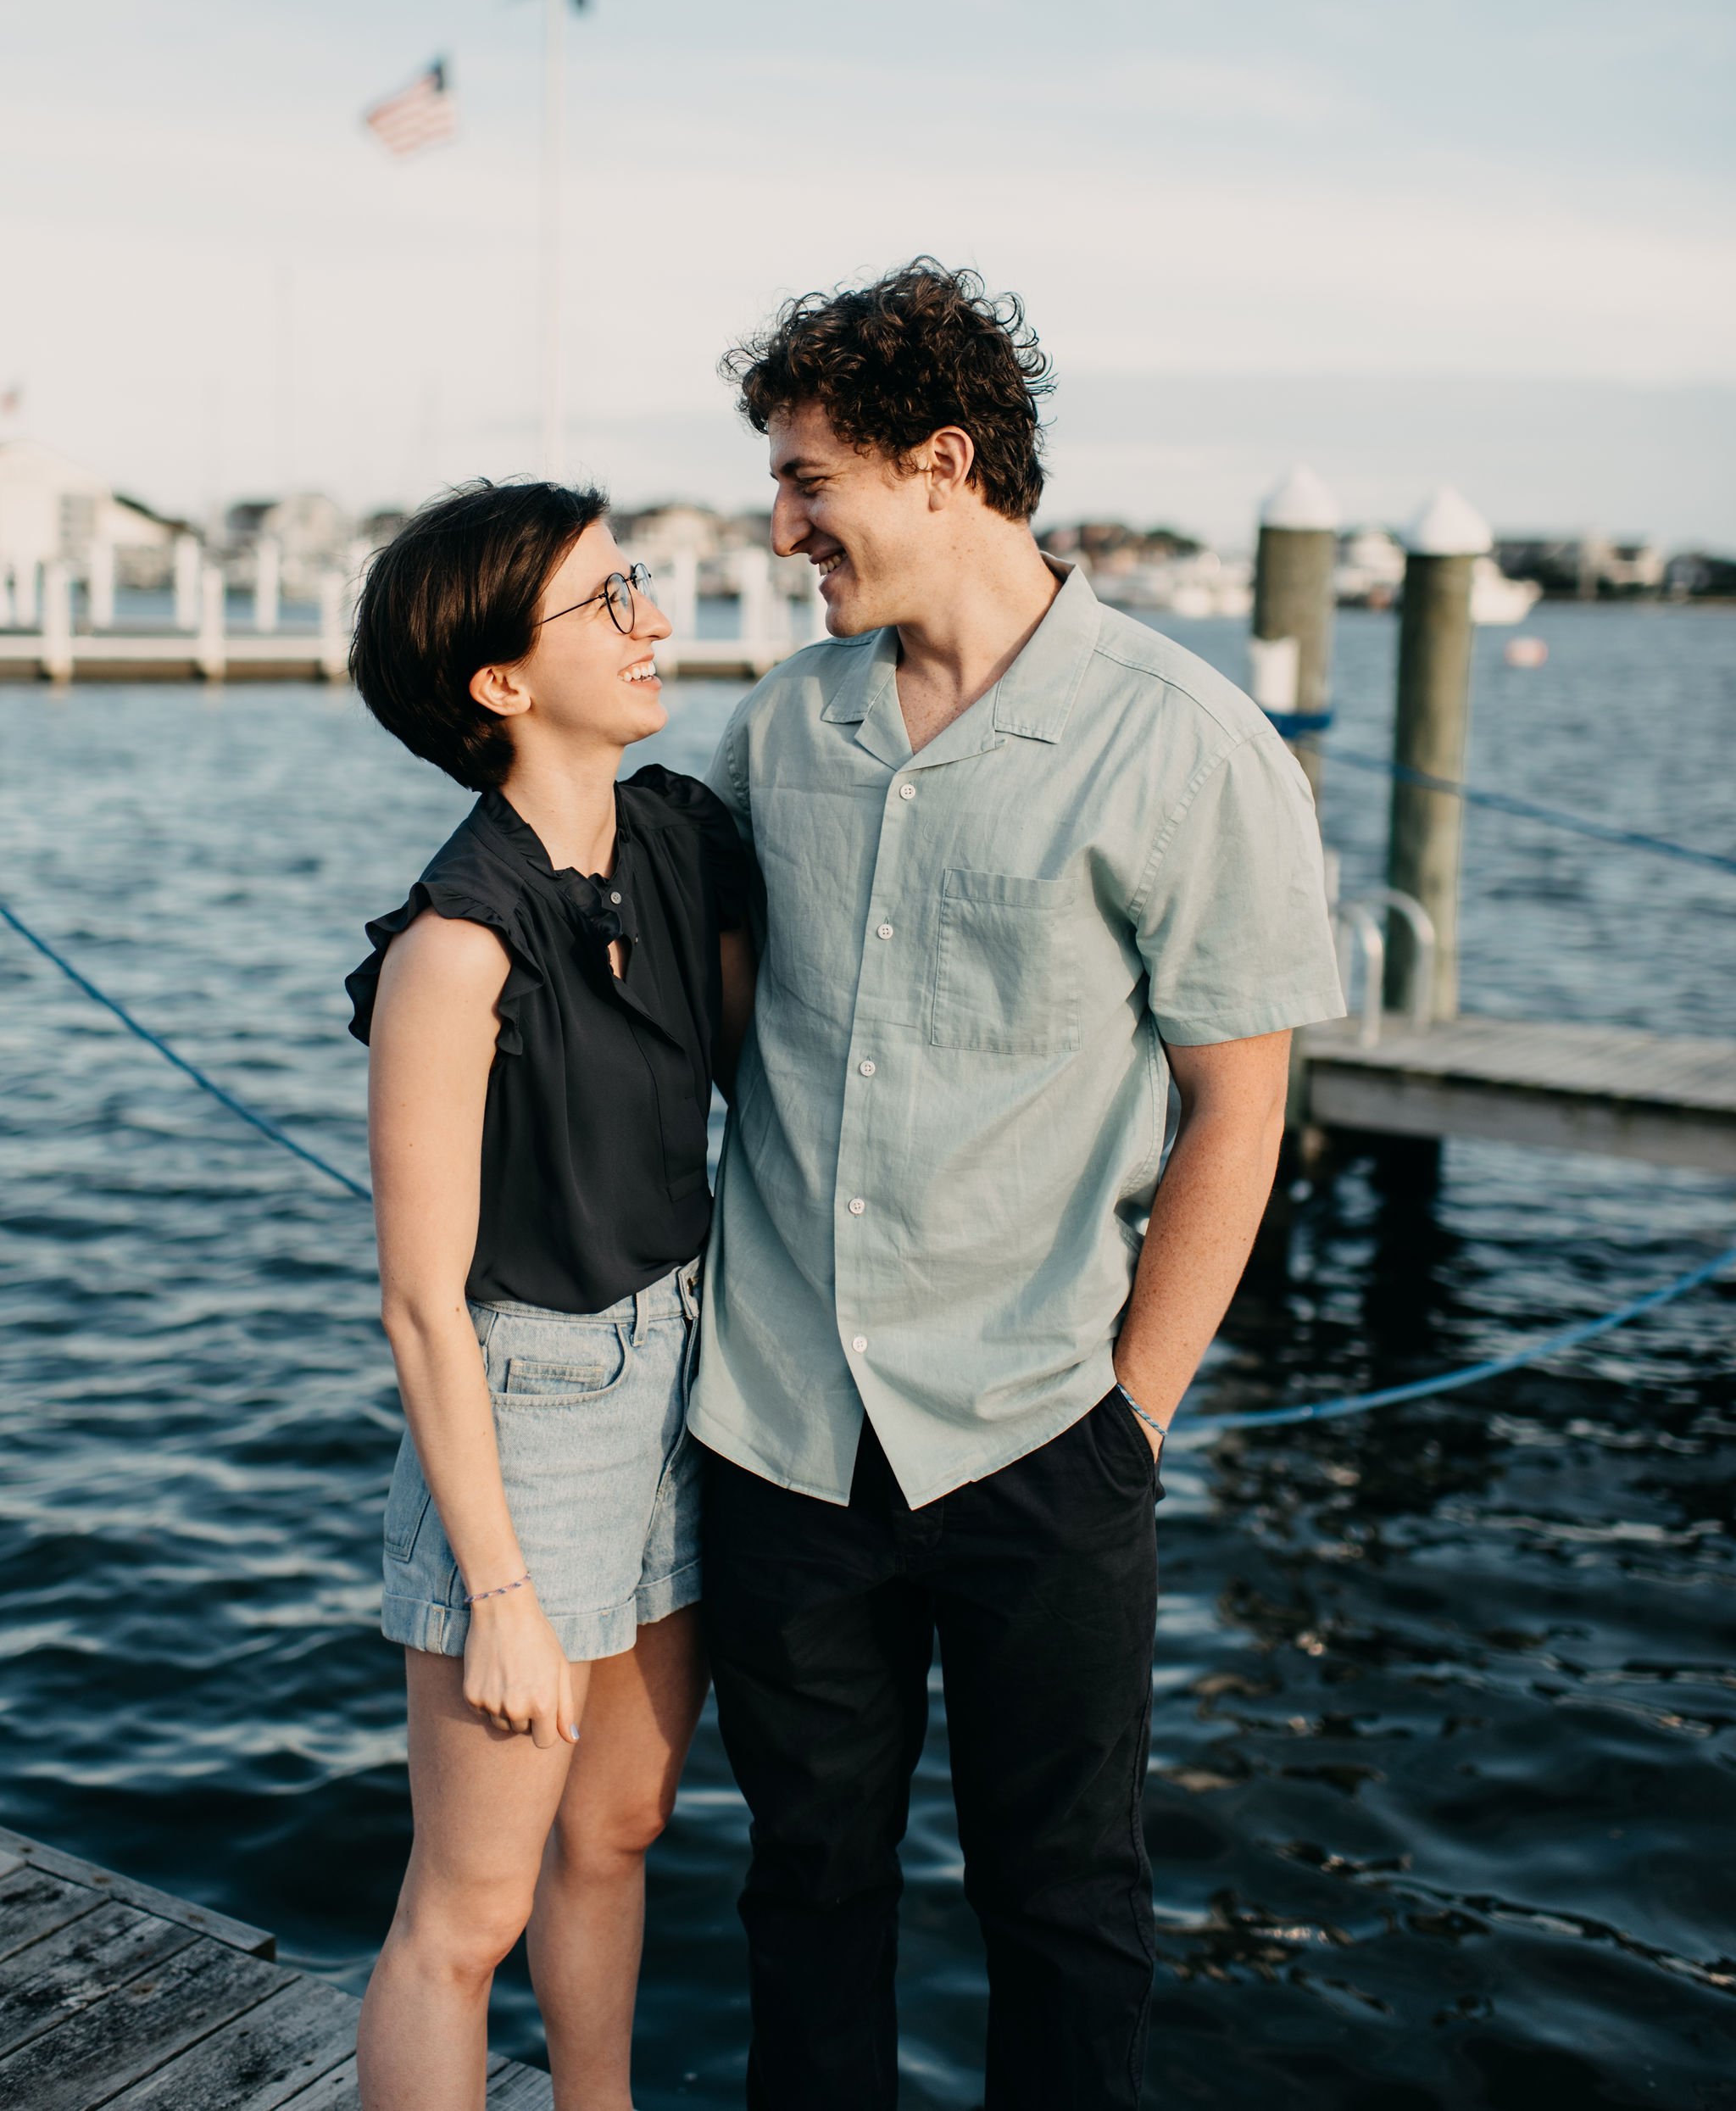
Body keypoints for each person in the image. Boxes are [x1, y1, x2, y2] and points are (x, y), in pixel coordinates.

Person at [691, 262, 1346, 2111]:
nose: (781, 523)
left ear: (942, 464)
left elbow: (1240, 1103)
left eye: (808, 477)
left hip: (1039, 1437)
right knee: (803, 1890)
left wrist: (1131, 1419)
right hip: (779, 1433)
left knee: (1061, 1908)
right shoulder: (777, 729)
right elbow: (714, 1028)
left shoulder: (1180, 738)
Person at [342, 481, 754, 2111]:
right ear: (502, 683)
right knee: (467, 1911)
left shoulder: (679, 841)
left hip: (684, 1379)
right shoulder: (457, 949)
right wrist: (500, 1591)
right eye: (607, 601)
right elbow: (423, 1309)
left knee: (621, 1831)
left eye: (635, 583)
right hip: (530, 1418)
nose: (653, 621)